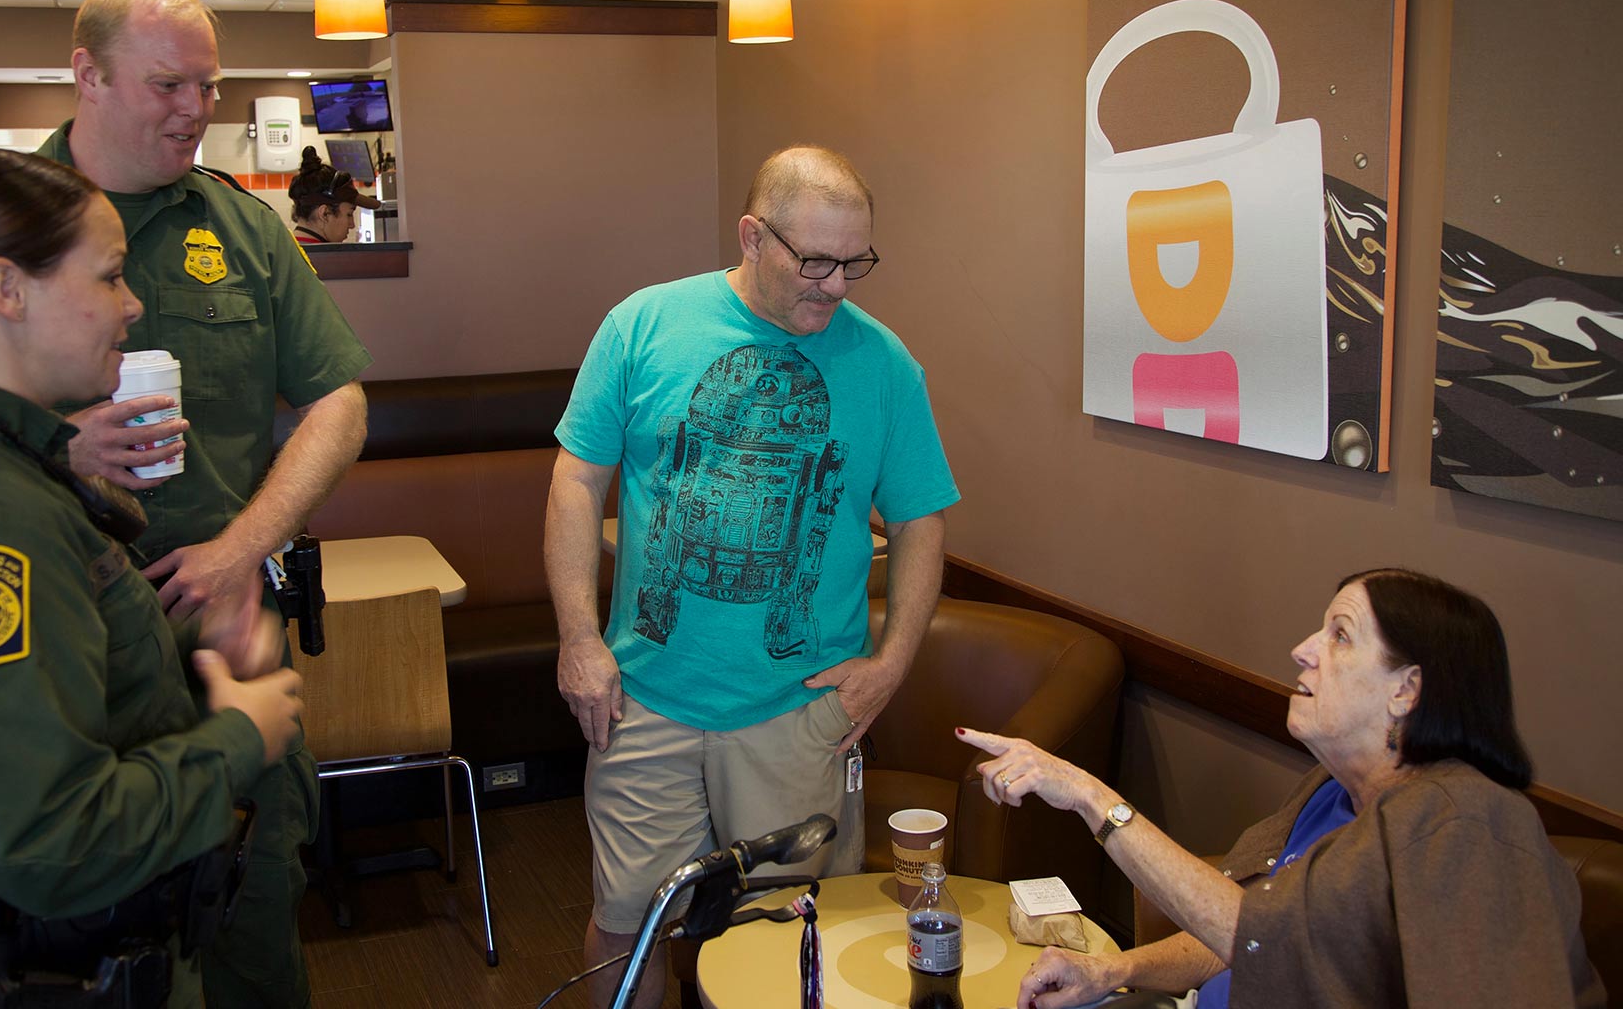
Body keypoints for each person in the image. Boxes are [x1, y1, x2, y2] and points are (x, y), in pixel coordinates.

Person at [0, 0, 373, 1009]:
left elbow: (338, 400)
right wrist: (41, 441)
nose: (196, 109)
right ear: (85, 75)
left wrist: (241, 547)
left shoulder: (243, 224)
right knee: (77, 944)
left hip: (215, 646)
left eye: (208, 88)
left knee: (246, 937)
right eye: (168, 84)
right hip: (51, 678)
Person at [0, 147, 308, 1006]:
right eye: (110, 277)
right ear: (8, 290)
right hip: (40, 973)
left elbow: (66, 656)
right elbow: (51, 840)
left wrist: (188, 645)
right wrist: (238, 737)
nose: (134, 304)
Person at [546, 144, 961, 1007]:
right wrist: (580, 639)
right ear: (751, 236)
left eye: (856, 263)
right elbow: (577, 481)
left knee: (788, 932)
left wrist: (892, 664)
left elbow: (923, 517)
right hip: (647, 695)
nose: (836, 285)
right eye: (814, 260)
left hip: (797, 711)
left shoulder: (883, 365)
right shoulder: (645, 325)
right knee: (628, 922)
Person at [958, 569, 1605, 1009]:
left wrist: (1092, 797)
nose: (1302, 649)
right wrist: (1113, 972)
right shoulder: (1331, 793)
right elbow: (1253, 933)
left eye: (1340, 635)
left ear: (1407, 690)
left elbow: (1259, 935)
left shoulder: (1469, 826)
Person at [287, 145, 380, 245]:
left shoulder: (284, 251)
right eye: (349, 214)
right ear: (324, 214)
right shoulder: (326, 259)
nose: (352, 225)